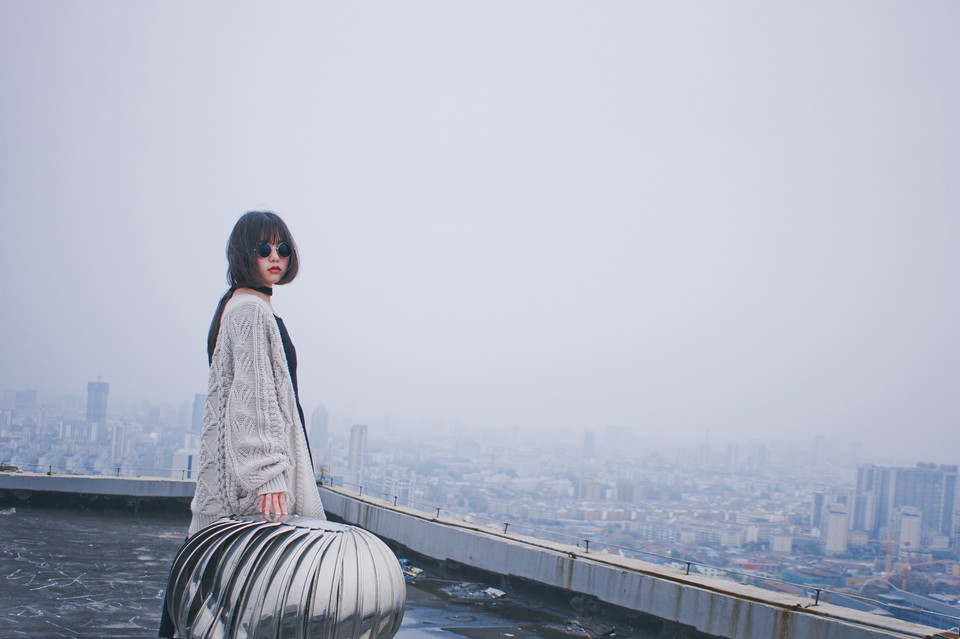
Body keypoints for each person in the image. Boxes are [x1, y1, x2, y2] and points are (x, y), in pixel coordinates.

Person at [160, 210, 325, 637]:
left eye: (283, 248)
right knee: (253, 601)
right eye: (264, 248)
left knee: (215, 604)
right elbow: (251, 398)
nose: (276, 257)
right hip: (257, 487)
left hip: (237, 478)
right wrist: (268, 473)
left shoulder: (235, 305)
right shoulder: (251, 310)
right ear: (242, 253)